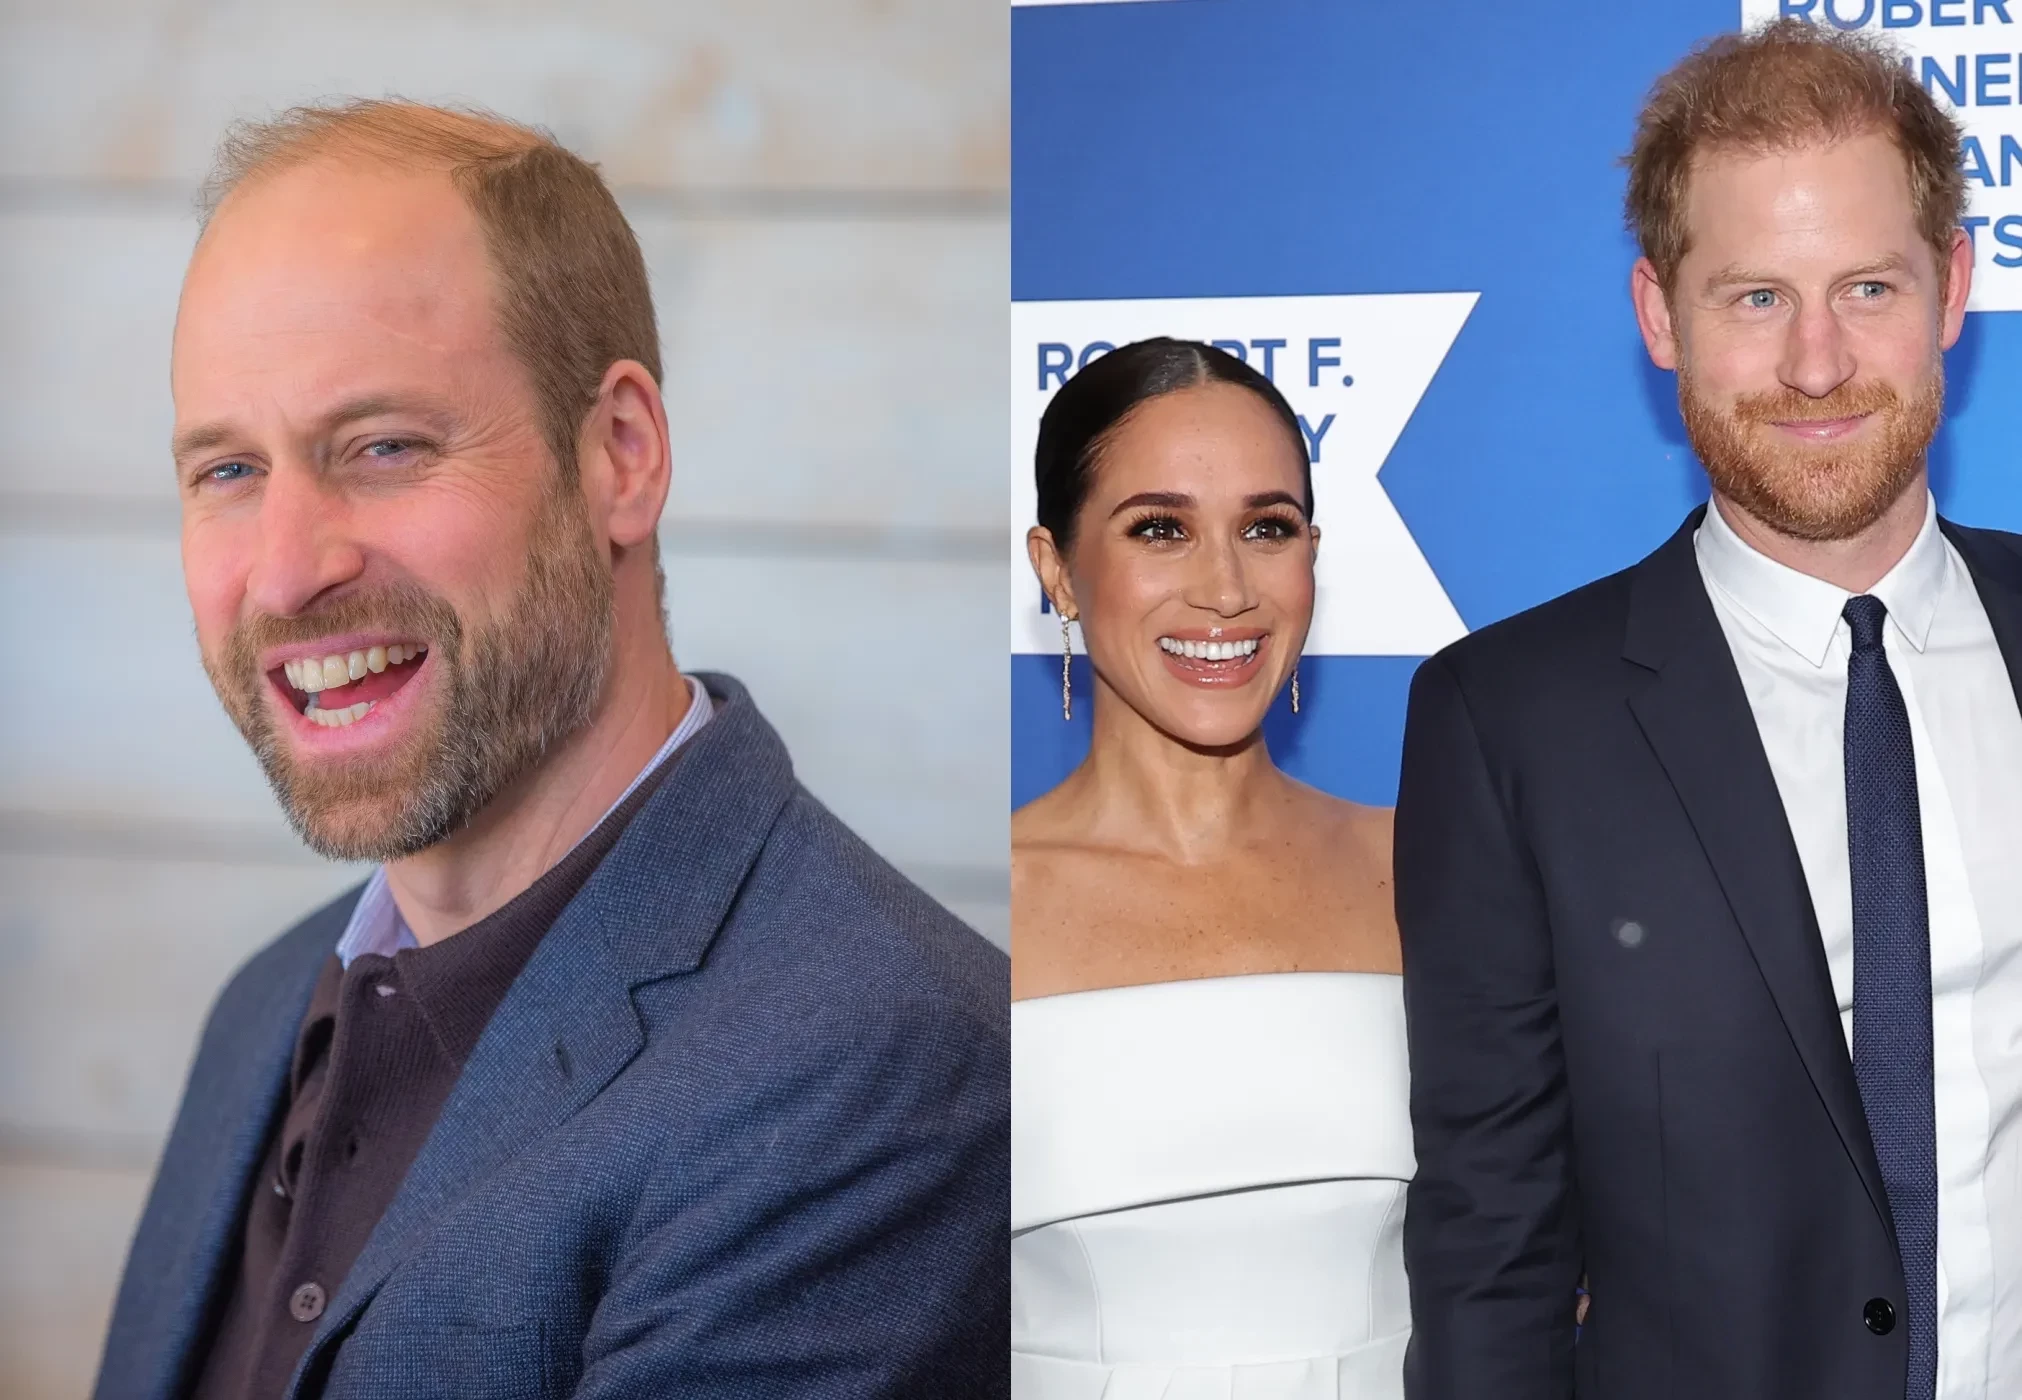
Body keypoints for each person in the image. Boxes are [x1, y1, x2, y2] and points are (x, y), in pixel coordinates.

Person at [91, 101, 1008, 1400]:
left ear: (620, 456)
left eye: (384, 447)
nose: (286, 573)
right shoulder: (263, 1008)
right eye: (229, 472)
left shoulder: (885, 1076)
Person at [1395, 20, 2022, 1400]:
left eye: (1867, 287)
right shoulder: (1509, 724)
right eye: (1754, 298)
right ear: (1658, 315)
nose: (1816, 362)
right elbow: (1491, 1245)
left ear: (1955, 288)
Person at [1012, 337, 1410, 1396]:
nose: (1226, 588)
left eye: (1266, 528)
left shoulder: (1431, 867)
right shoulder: (967, 914)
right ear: (1056, 568)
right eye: (1161, 528)